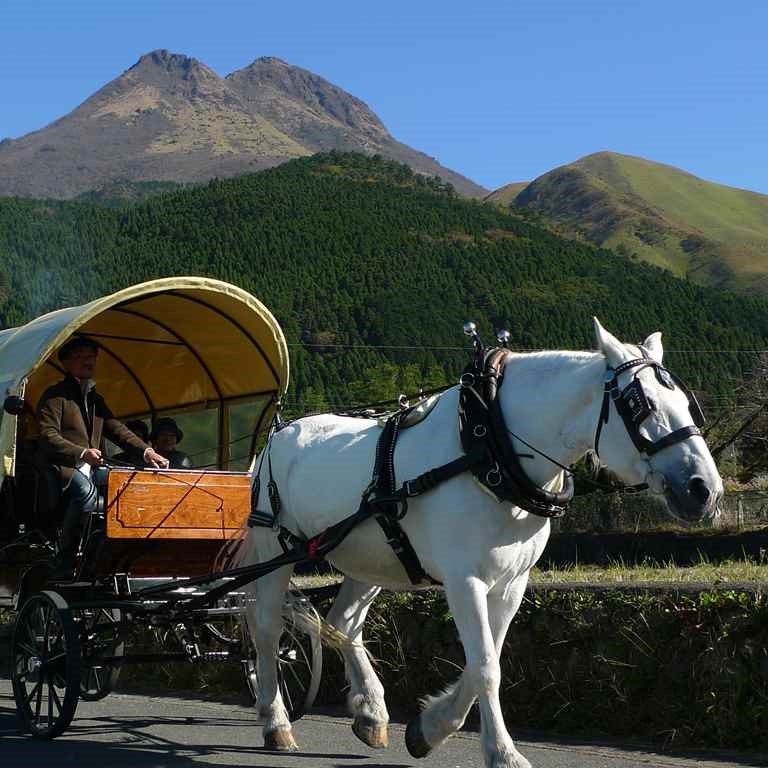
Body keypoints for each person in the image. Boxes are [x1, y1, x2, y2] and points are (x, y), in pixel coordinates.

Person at [37, 337, 169, 578]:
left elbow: (117, 430)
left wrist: (147, 451)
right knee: (84, 494)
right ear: (66, 363)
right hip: (65, 468)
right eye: (81, 356)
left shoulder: (95, 399)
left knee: (134, 488)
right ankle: (65, 557)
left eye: (91, 356)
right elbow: (47, 435)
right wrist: (81, 452)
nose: (88, 361)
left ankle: (122, 555)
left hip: (95, 468)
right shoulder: (55, 396)